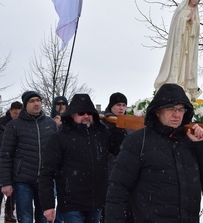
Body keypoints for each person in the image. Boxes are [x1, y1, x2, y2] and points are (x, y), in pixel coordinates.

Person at [105, 83, 203, 222]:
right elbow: (118, 188)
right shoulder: (138, 140)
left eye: (180, 109)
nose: (176, 114)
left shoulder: (191, 140)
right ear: (158, 111)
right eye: (171, 108)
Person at [38, 93, 123, 223]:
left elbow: (117, 149)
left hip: (96, 201)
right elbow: (46, 172)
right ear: (72, 114)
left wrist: (118, 127)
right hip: (71, 202)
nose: (86, 116)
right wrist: (48, 205)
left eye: (89, 113)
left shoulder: (102, 133)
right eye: (81, 113)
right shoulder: (60, 137)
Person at [0, 91, 58, 223]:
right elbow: (5, 155)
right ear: (26, 105)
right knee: (25, 218)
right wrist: (6, 182)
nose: (36, 103)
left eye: (38, 100)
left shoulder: (50, 124)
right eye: (32, 101)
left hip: (46, 180)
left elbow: (58, 153)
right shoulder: (14, 126)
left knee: (43, 218)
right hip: (22, 179)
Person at [154, 0, 203, 101]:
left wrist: (193, 23)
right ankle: (174, 82)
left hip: (189, 43)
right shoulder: (182, 9)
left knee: (187, 63)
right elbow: (176, 24)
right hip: (179, 42)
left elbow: (196, 30)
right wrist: (186, 20)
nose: (196, 1)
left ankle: (185, 87)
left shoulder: (196, 12)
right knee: (178, 61)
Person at [100, 92, 134, 222]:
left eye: (124, 105)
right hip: (109, 171)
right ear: (111, 106)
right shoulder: (104, 123)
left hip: (128, 173)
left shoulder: (131, 124)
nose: (121, 108)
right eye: (118, 105)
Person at [0, 101, 22, 222]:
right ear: (10, 111)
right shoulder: (2, 122)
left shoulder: (21, 124)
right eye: (15, 113)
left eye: (19, 113)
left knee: (12, 192)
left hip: (15, 161)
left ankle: (9, 212)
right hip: (3, 158)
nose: (16, 116)